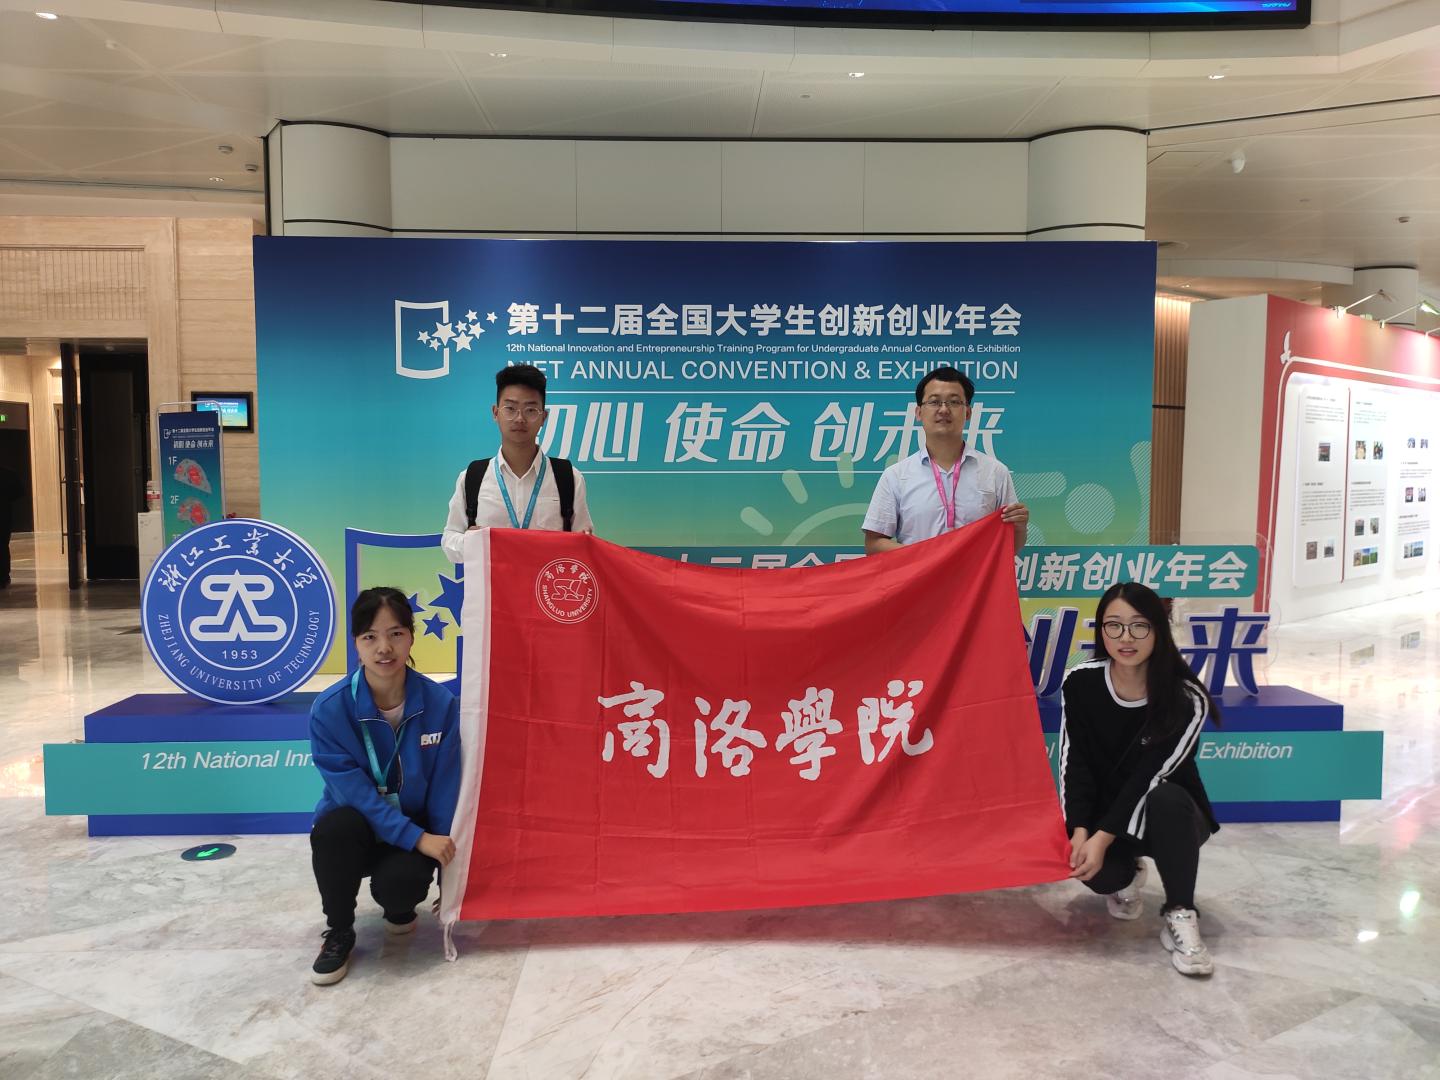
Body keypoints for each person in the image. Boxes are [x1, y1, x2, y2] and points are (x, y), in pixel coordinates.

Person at [1059, 581, 1221, 976]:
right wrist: (1079, 830)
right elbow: (1074, 762)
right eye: (1113, 625)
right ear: (1101, 630)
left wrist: (1101, 838)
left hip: (1171, 817)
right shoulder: (1080, 683)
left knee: (1165, 798)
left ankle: (1180, 911)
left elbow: (1149, 777)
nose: (1125, 637)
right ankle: (1127, 874)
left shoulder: (1186, 698)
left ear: (1159, 629)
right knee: (1097, 874)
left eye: (1139, 626)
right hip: (1107, 812)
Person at [307, 587, 461, 985]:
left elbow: (446, 793)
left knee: (402, 885)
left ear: (411, 636)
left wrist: (451, 878)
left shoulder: (441, 704)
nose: (384, 648)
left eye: (395, 633)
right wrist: (417, 838)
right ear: (356, 643)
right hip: (359, 828)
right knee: (333, 829)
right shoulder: (330, 710)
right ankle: (339, 930)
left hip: (411, 829)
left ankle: (399, 909)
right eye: (370, 637)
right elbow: (354, 795)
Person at [861, 366, 1028, 554]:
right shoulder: (896, 476)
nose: (944, 409)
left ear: (968, 412)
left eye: (954, 402)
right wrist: (927, 558)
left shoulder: (995, 472)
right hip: (920, 574)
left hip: (975, 574)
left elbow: (1009, 546)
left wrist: (1020, 527)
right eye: (934, 402)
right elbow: (873, 544)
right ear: (918, 412)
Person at [441, 363, 593, 563]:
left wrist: (584, 543)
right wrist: (471, 543)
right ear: (495, 413)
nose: (520, 418)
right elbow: (450, 540)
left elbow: (584, 545)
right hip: (491, 583)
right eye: (510, 408)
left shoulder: (568, 478)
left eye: (530, 410)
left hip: (547, 582)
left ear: (543, 417)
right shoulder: (472, 478)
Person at [0, 464, 20, 588]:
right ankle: (3, 576)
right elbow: (18, 493)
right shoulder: (8, 474)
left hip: (4, 514)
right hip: (4, 515)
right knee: (2, 545)